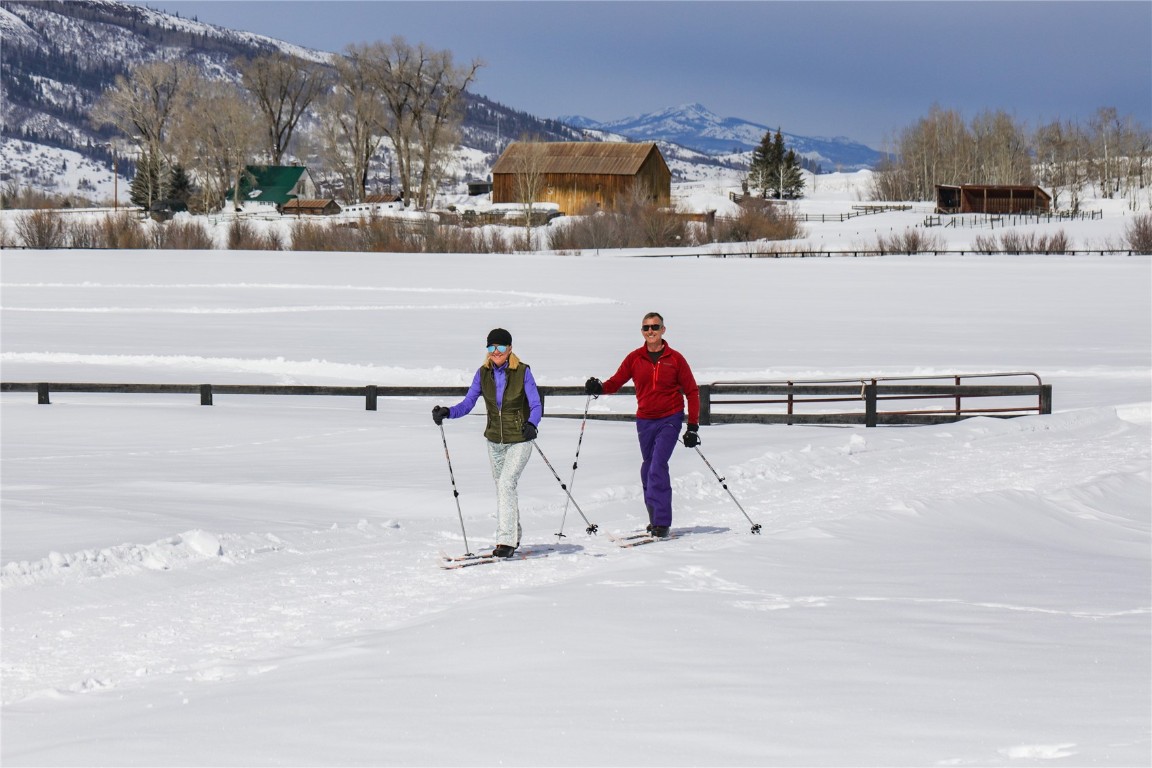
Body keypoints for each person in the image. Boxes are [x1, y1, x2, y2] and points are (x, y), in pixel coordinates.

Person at [585, 312, 700, 538]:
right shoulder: (635, 358)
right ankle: (654, 516)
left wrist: (692, 426)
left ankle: (662, 522)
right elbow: (616, 381)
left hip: (670, 417)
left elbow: (692, 392)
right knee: (647, 467)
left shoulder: (675, 359)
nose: (651, 331)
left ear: (663, 330)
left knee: (658, 465)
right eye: (646, 328)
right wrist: (599, 387)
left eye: (655, 327)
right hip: (645, 419)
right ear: (641, 331)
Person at [433, 328, 542, 558]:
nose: (496, 352)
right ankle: (515, 533)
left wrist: (532, 424)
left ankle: (505, 541)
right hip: (494, 441)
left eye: (500, 347)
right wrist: (448, 412)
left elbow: (535, 405)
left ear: (510, 348)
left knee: (506, 484)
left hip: (521, 439)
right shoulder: (482, 374)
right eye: (491, 347)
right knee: (504, 488)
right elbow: (468, 403)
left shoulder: (522, 372)